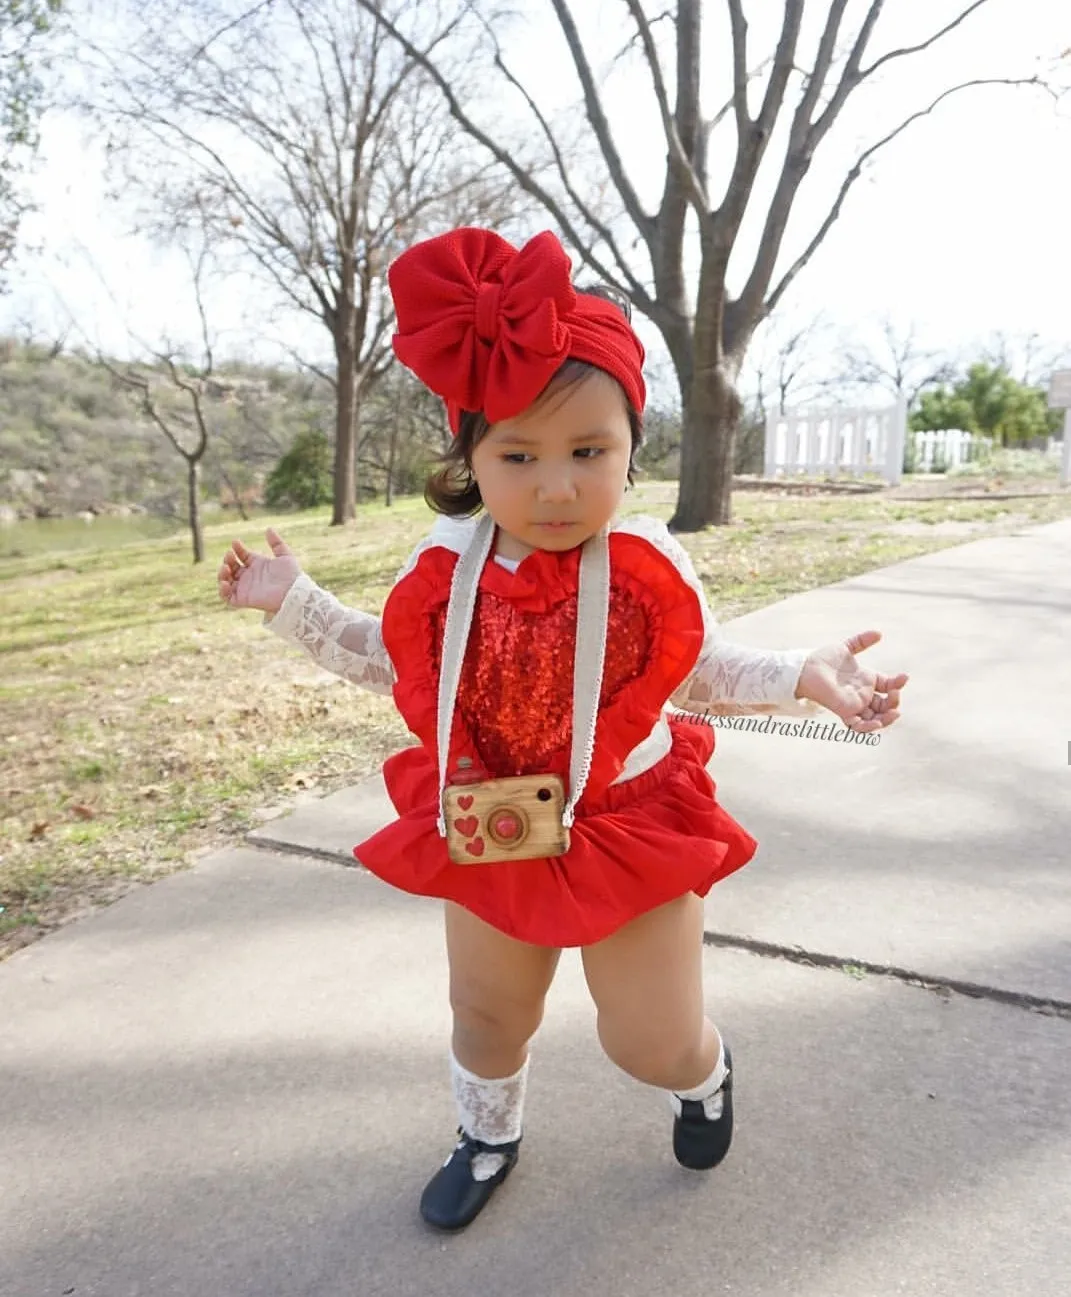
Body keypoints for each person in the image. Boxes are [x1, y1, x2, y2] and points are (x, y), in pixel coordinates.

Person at [218, 227, 908, 1232]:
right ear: (471, 455)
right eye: (519, 454)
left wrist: (803, 674)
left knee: (648, 1037)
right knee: (488, 1014)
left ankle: (702, 1075)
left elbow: (698, 667)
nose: (555, 486)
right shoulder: (450, 568)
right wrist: (297, 604)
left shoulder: (640, 567)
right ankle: (487, 1133)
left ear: (631, 448)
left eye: (590, 452)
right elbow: (396, 662)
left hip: (623, 818)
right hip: (496, 816)